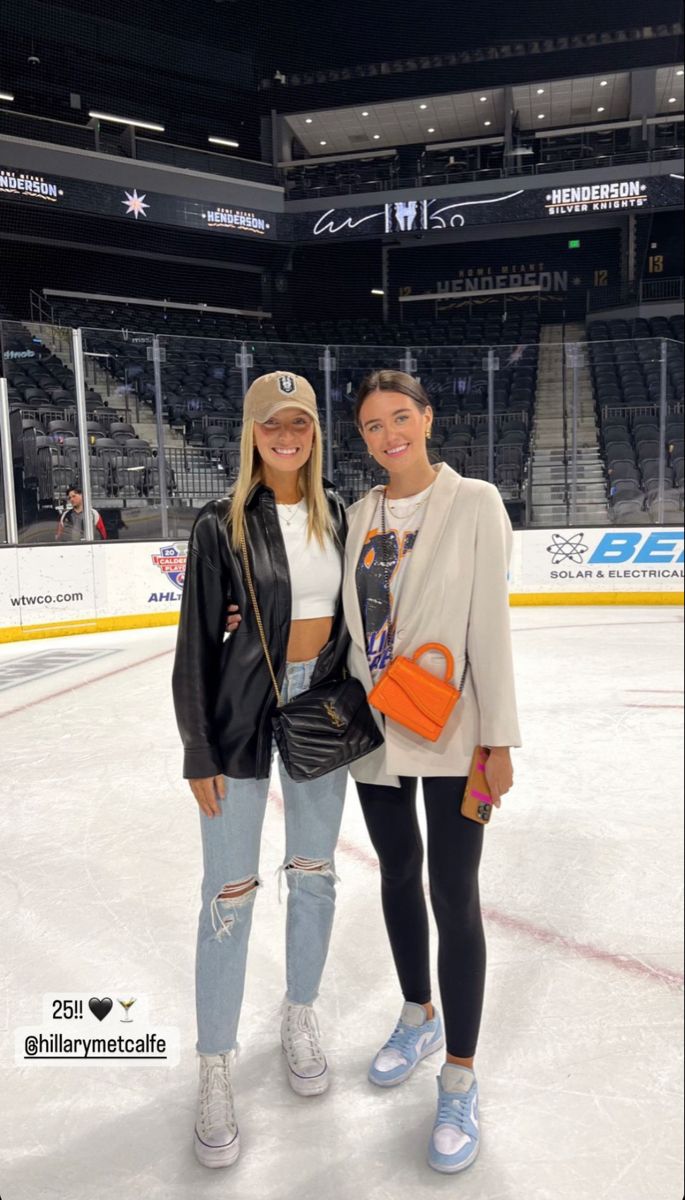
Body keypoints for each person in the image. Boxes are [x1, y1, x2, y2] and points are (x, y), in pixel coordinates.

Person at [343, 369, 521, 1174]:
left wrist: (499, 740)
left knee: (454, 890)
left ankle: (459, 1072)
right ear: (362, 437)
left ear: (427, 418)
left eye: (400, 417)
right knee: (395, 873)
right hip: (377, 730)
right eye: (374, 425)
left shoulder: (474, 501)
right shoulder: (357, 515)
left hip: (455, 730)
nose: (389, 435)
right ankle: (417, 1014)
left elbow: (490, 624)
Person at [172, 371, 349, 1170]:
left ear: (315, 432)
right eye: (272, 424)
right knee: (230, 892)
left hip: (320, 712)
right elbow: (194, 646)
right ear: (251, 433)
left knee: (313, 876)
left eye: (300, 423)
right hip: (240, 715)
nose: (287, 436)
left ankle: (298, 1013)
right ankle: (214, 1064)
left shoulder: (337, 512)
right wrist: (197, 748)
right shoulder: (220, 525)